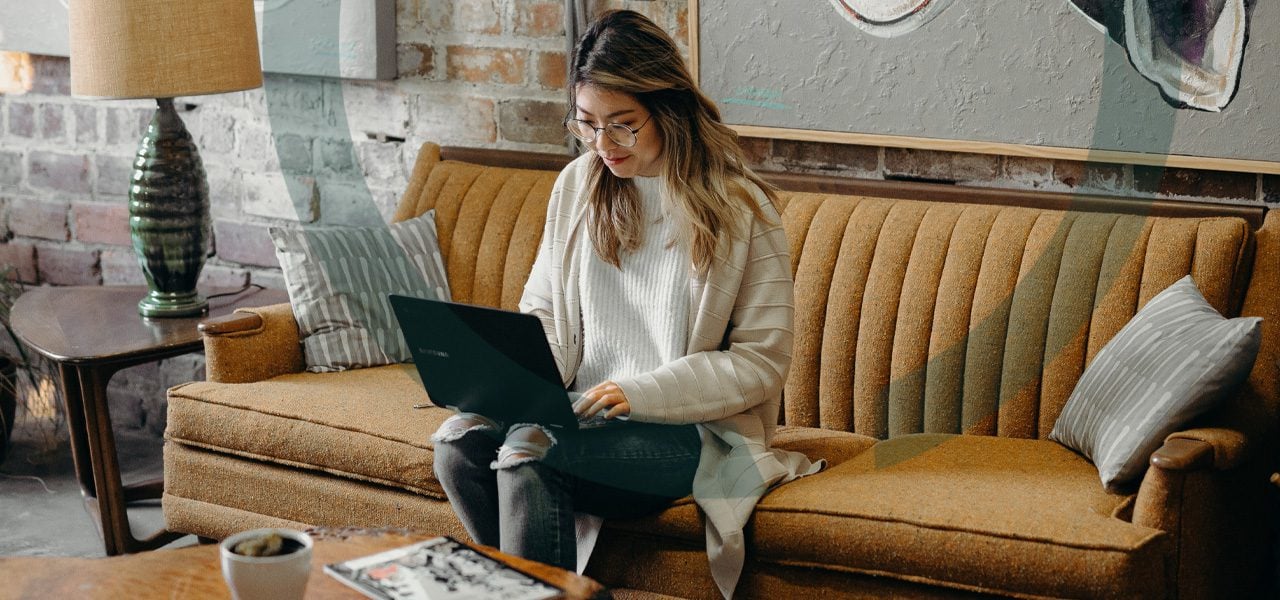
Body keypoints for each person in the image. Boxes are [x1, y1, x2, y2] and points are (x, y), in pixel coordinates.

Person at [431, 10, 822, 598]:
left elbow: (761, 362)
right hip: (576, 413)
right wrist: (509, 375)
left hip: (687, 431)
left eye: (623, 125)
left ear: (668, 110)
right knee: (458, 444)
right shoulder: (577, 185)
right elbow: (542, 308)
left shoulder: (741, 208)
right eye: (587, 124)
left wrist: (639, 393)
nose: (603, 145)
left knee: (530, 454)